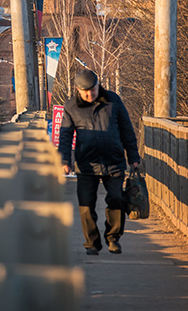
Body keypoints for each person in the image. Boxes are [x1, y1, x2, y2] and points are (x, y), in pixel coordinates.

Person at [59, 68, 141, 256]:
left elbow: (127, 130)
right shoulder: (71, 106)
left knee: (116, 199)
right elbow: (65, 135)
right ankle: (91, 243)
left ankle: (113, 238)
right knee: (86, 204)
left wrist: (134, 157)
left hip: (114, 161)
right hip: (87, 163)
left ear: (98, 85)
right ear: (78, 90)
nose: (90, 94)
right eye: (85, 91)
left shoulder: (114, 101)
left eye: (93, 90)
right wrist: (64, 159)